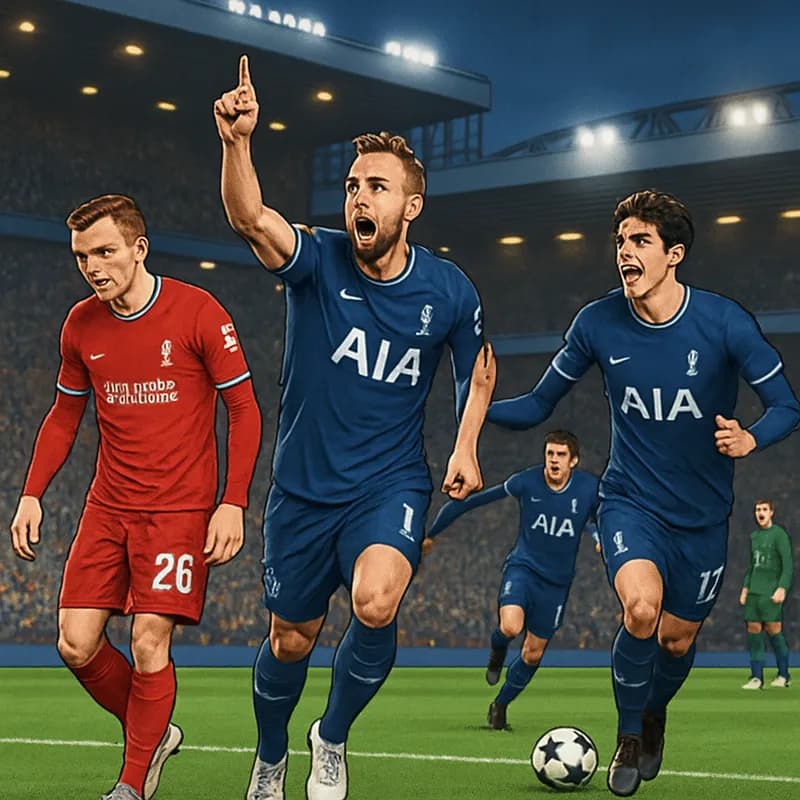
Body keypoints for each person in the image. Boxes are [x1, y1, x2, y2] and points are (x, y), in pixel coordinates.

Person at [214, 56, 496, 800]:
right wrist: (237, 143)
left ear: (411, 206)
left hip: (389, 483)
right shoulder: (318, 260)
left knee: (377, 601)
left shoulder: (448, 290)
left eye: (377, 186)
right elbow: (250, 218)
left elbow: (478, 366)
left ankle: (331, 737)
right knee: (290, 640)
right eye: (351, 186)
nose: (359, 197)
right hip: (303, 491)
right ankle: (271, 754)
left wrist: (466, 444)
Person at [484, 189, 800, 796]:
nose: (624, 252)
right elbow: (538, 406)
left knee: (677, 640)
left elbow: (787, 405)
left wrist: (750, 438)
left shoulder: (724, 322)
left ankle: (653, 713)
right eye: (621, 241)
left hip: (703, 518)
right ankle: (628, 736)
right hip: (629, 502)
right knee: (641, 611)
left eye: (640, 241)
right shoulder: (597, 322)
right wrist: (473, 408)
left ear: (673, 254)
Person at [8, 194, 262, 800]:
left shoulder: (198, 312)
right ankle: (154, 731)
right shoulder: (80, 325)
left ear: (138, 248)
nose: (93, 268)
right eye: (82, 257)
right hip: (108, 506)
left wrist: (233, 502)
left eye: (104, 252)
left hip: (179, 510)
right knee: (75, 642)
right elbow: (64, 416)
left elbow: (243, 410)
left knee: (149, 641)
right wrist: (31, 493)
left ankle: (131, 783)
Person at [424, 430, 601, 730]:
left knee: (533, 653)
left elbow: (597, 519)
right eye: (549, 453)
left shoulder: (589, 488)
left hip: (556, 584)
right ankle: (498, 649)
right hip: (523, 568)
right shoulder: (526, 481)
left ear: (573, 461)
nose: (553, 460)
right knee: (510, 627)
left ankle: (500, 705)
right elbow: (473, 502)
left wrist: (600, 538)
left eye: (560, 455)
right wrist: (432, 533)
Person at [739, 499, 793, 689]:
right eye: (757, 509)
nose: (760, 512)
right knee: (753, 631)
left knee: (773, 630)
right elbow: (751, 566)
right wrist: (745, 588)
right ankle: (756, 677)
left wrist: (782, 587)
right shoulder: (754, 537)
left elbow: (787, 564)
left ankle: (784, 674)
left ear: (771, 512)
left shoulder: (779, 535)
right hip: (754, 591)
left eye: (764, 509)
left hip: (770, 592)